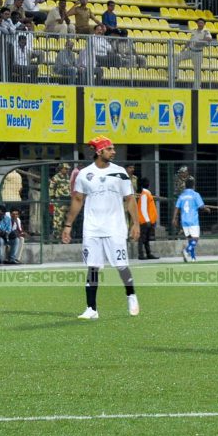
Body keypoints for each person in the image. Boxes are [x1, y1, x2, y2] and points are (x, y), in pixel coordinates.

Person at [61, 136, 140, 319]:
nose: (114, 152)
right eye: (110, 149)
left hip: (115, 227)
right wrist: (68, 225)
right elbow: (78, 200)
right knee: (92, 267)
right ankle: (92, 309)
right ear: (99, 152)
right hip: (92, 228)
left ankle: (131, 295)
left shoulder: (120, 172)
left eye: (113, 148)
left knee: (121, 265)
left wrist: (135, 223)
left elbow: (130, 199)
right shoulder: (84, 174)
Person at [172, 178, 209, 262]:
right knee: (195, 239)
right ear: (193, 185)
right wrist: (207, 209)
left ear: (185, 185)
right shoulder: (195, 194)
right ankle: (186, 251)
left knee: (190, 239)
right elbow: (201, 206)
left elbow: (177, 207)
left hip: (184, 221)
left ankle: (193, 258)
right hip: (193, 221)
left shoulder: (182, 196)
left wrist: (174, 218)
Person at [174, 18, 211, 88]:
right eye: (199, 23)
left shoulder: (206, 32)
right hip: (190, 50)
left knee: (197, 70)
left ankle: (197, 86)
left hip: (198, 53)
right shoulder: (194, 31)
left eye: (201, 23)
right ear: (197, 24)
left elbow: (209, 39)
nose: (200, 24)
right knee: (176, 57)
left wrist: (200, 41)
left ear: (204, 24)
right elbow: (190, 40)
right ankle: (175, 74)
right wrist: (184, 48)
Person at [137, 177, 159, 260]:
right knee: (142, 238)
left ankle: (148, 253)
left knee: (146, 238)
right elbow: (143, 208)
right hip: (145, 221)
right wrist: (147, 220)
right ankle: (141, 254)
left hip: (148, 220)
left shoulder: (146, 194)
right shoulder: (144, 194)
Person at [49, 163, 72, 238]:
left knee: (67, 220)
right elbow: (51, 188)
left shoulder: (68, 177)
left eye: (67, 169)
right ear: (61, 169)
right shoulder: (56, 177)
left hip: (67, 201)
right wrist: (52, 199)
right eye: (65, 168)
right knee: (58, 221)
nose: (67, 170)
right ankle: (56, 236)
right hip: (59, 201)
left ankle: (65, 236)